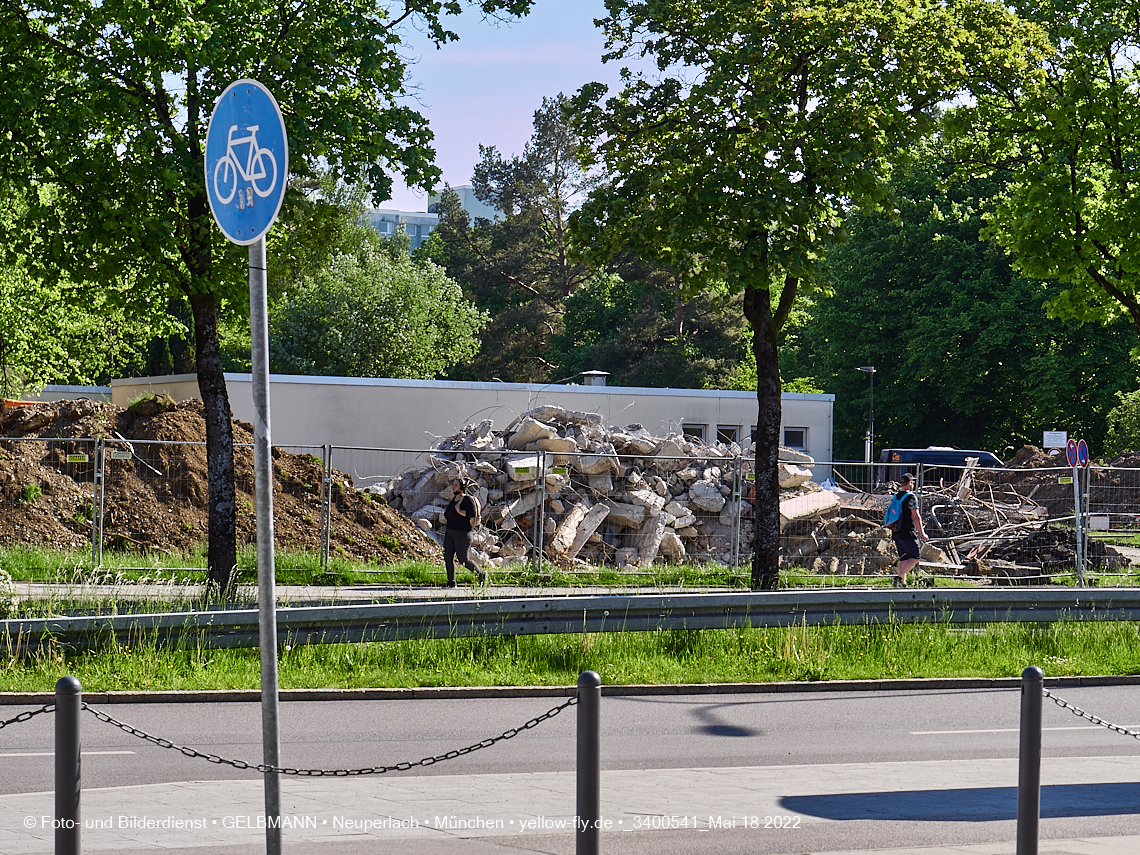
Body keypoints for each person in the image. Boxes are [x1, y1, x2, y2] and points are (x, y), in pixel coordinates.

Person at [442, 478, 484, 587]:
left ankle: (481, 576)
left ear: (462, 488)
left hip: (462, 534)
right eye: (453, 485)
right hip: (450, 533)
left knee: (463, 559)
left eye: (456, 485)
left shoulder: (467, 500)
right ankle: (451, 582)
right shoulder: (454, 500)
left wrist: (460, 512)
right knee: (448, 556)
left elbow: (472, 513)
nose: (453, 487)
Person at [892, 473, 928, 585]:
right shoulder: (911, 497)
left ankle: (901, 584)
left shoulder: (896, 496)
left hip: (896, 531)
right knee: (915, 556)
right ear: (910, 483)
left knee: (903, 558)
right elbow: (916, 517)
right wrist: (922, 534)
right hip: (907, 531)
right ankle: (898, 578)